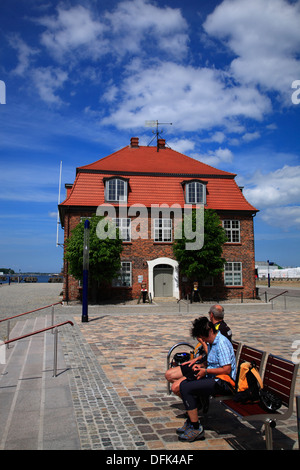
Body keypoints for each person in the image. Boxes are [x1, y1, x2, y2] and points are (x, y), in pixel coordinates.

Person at [176, 316, 236, 442]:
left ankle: (196, 428)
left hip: (224, 382)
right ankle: (191, 422)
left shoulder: (221, 343)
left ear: (208, 332)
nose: (202, 340)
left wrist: (206, 371)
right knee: (187, 383)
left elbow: (226, 370)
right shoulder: (212, 342)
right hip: (214, 377)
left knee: (186, 387)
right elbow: (213, 362)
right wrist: (201, 366)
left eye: (203, 338)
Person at [165, 304, 232, 396]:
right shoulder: (220, 327)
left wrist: (202, 343)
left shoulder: (217, 331)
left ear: (211, 315)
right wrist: (197, 359)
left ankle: (195, 398)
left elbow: (216, 358)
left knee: (178, 386)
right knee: (170, 375)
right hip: (204, 363)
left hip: (211, 370)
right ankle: (195, 396)